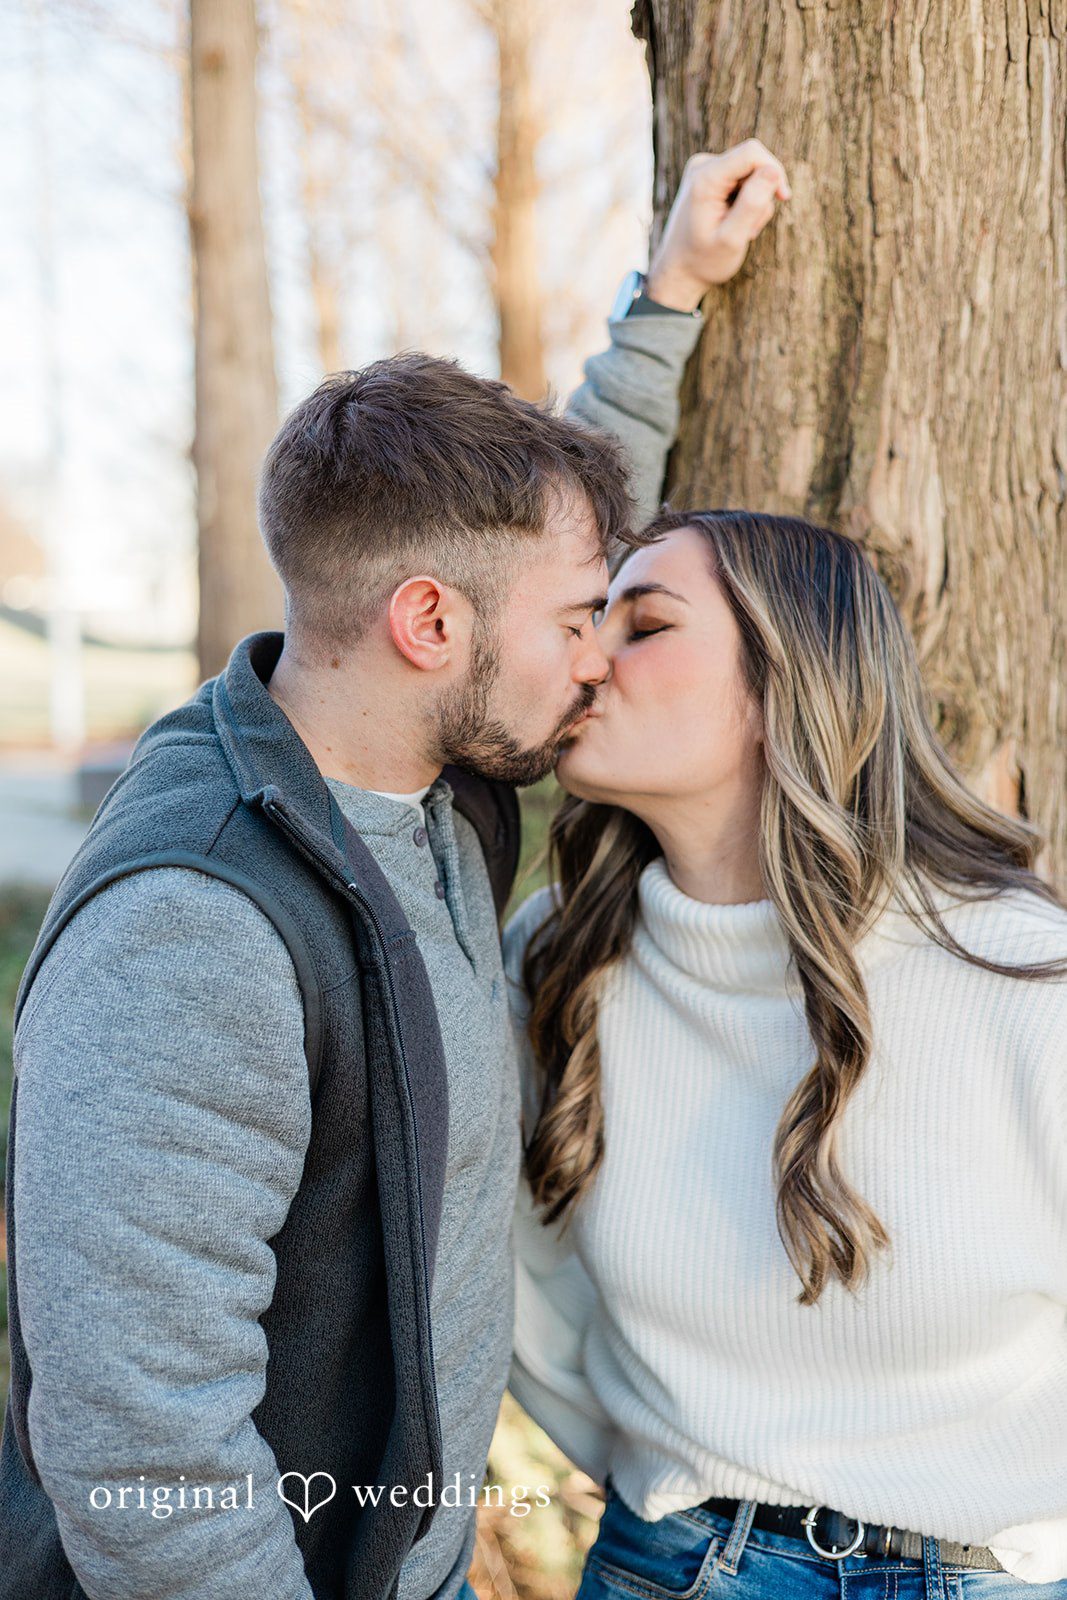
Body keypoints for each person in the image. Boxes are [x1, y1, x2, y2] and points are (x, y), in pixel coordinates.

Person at [0, 146, 790, 1600]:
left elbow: (533, 538)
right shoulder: (195, 930)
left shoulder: (418, 768)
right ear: (427, 623)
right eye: (579, 619)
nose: (597, 655)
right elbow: (149, 1469)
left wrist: (669, 291)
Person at [502, 509, 1067, 1600]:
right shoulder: (556, 958)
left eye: (642, 624)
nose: (583, 659)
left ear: (782, 686)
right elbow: (531, 1295)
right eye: (590, 620)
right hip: (671, 1562)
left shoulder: (1021, 978)